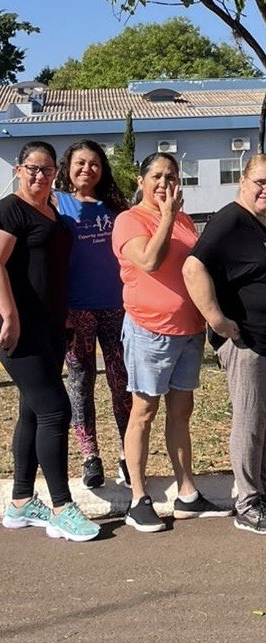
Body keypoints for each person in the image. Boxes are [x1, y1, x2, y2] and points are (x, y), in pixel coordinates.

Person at [183, 154, 266, 536]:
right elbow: (193, 267)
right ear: (243, 181)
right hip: (249, 344)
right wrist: (217, 319)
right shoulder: (229, 220)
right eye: (260, 182)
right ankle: (247, 501)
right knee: (251, 424)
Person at [112, 152, 232, 533]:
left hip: (187, 331)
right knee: (143, 412)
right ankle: (138, 498)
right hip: (150, 330)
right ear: (141, 180)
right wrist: (165, 217)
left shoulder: (182, 220)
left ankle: (187, 493)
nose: (164, 184)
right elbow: (148, 261)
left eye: (172, 176)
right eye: (157, 177)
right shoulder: (129, 220)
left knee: (182, 413)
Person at [0, 141, 101, 542]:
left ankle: (21, 502)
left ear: (54, 173)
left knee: (32, 410)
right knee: (56, 410)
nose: (38, 176)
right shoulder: (11, 209)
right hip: (19, 329)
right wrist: (8, 314)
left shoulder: (53, 212)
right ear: (19, 170)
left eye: (45, 170)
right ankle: (62, 506)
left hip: (50, 327)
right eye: (31, 168)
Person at [53, 139, 133, 490]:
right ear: (68, 166)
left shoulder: (116, 207)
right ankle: (90, 456)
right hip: (77, 308)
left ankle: (128, 454)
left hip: (116, 306)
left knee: (122, 382)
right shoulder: (57, 204)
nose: (88, 169)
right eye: (80, 163)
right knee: (80, 382)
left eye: (95, 163)